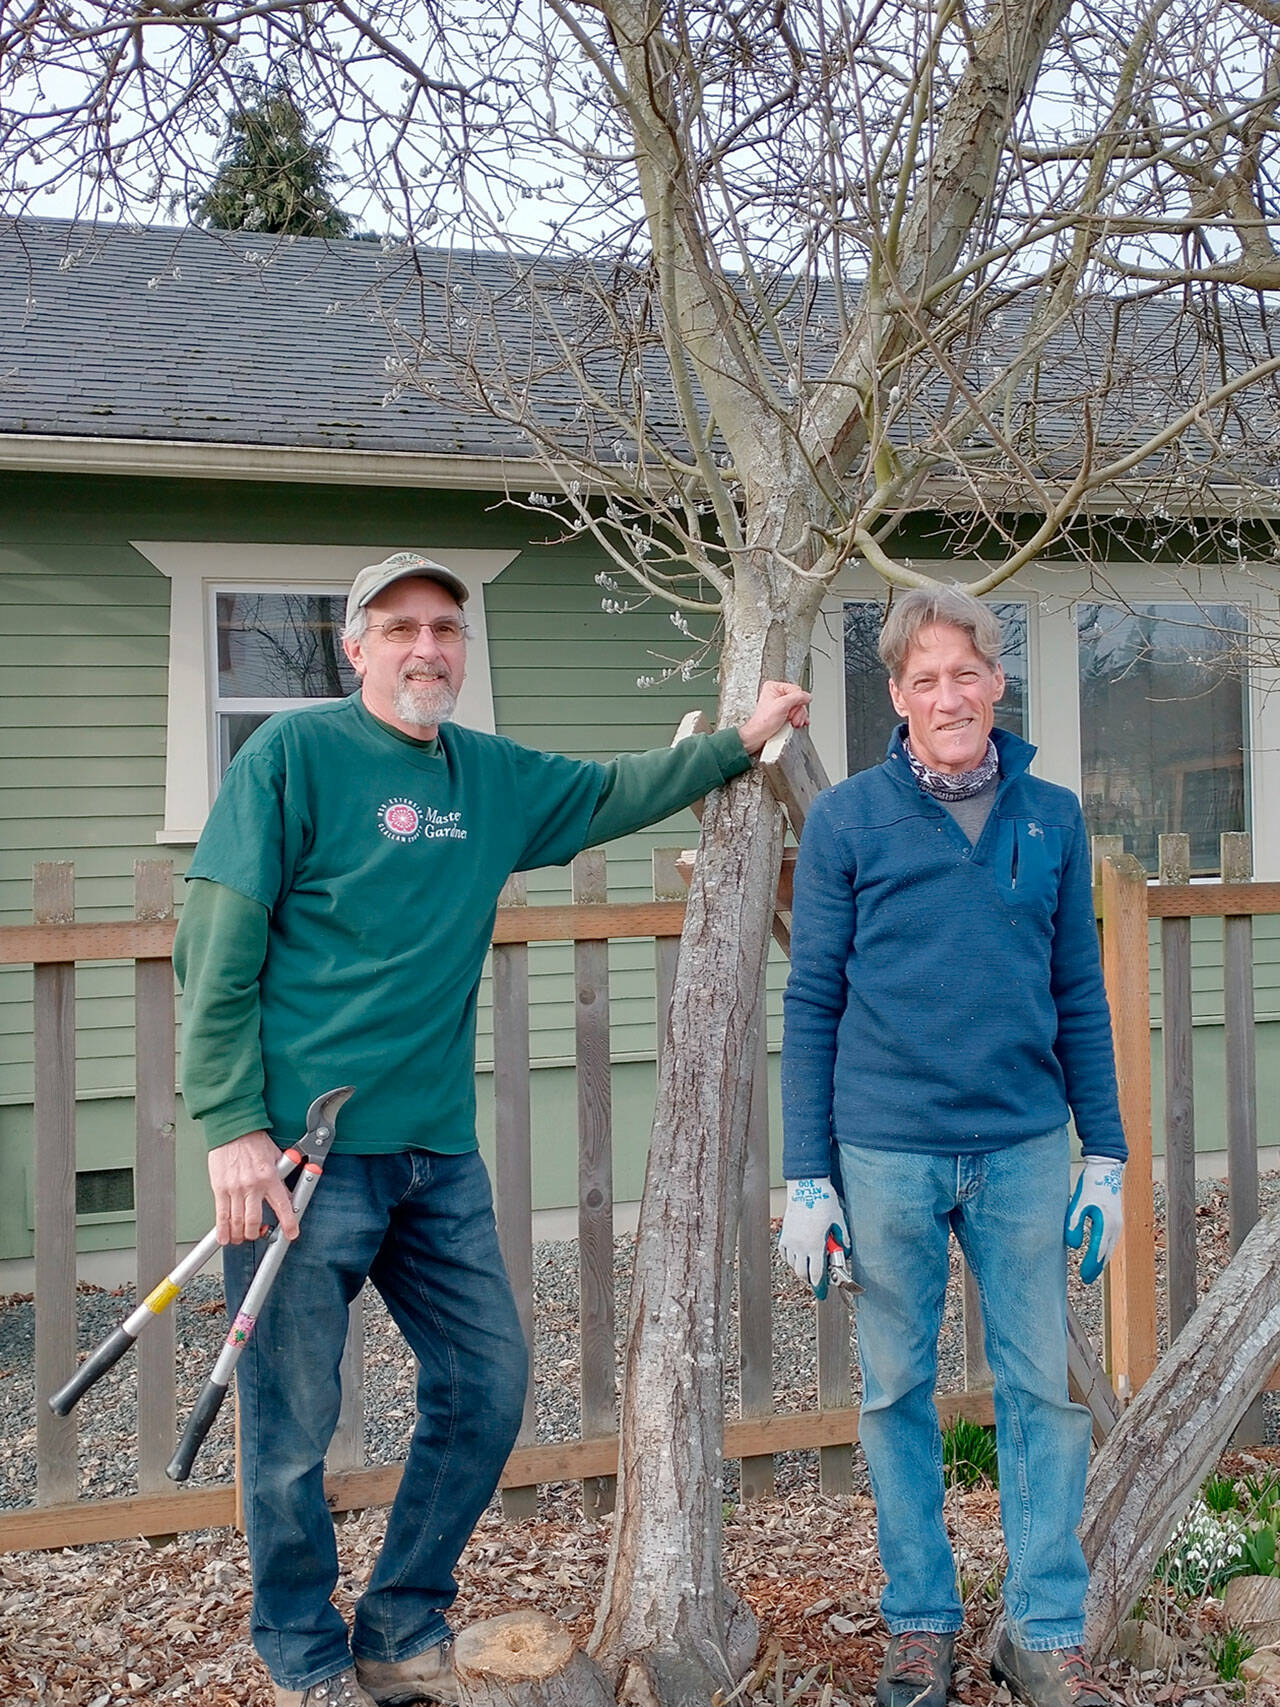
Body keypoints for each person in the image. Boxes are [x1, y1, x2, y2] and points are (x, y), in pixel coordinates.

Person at [173, 550, 810, 1707]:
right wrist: (229, 1126)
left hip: (432, 1154)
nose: (427, 648)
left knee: (488, 1381)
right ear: (354, 646)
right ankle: (301, 1655)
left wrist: (737, 738)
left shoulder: (487, 781)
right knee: (288, 1430)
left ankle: (400, 1620)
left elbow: (620, 789)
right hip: (301, 1159)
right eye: (401, 627)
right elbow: (216, 946)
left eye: (446, 630)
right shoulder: (293, 760)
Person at [778, 585, 1126, 1707]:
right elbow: (811, 1001)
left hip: (1023, 1147)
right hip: (885, 1152)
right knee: (895, 1392)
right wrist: (806, 1178)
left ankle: (1041, 1628)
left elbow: (1077, 989)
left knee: (1041, 1391)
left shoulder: (1051, 817)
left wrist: (1104, 1158)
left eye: (963, 673)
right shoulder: (846, 823)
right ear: (895, 694)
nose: (946, 696)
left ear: (996, 681)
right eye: (922, 679)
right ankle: (919, 1623)